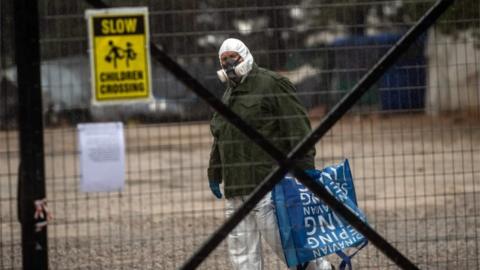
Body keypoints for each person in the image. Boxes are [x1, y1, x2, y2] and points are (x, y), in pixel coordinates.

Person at [207, 38, 332, 270]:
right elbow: (220, 137)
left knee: (288, 246)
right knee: (242, 254)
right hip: (235, 190)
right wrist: (214, 173)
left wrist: (306, 170)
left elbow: (297, 128)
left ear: (245, 56)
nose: (228, 63)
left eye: (232, 57)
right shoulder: (227, 96)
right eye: (223, 59)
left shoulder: (271, 84)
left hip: (268, 185)